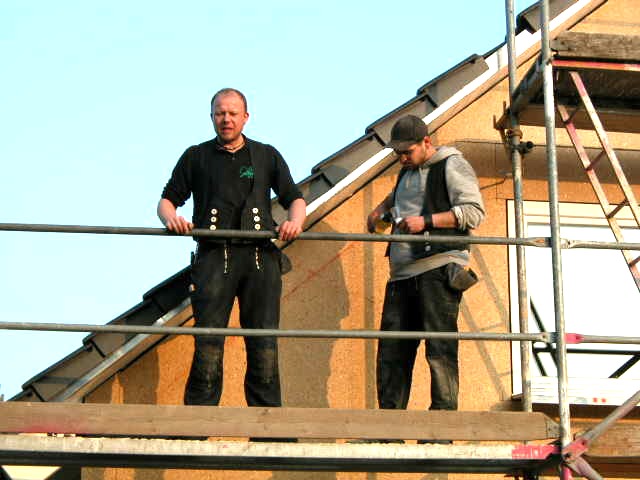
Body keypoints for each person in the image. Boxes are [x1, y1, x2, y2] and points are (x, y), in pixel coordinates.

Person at [158, 88, 306, 413]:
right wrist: (172, 218)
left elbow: (293, 197)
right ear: (212, 117)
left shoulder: (266, 155)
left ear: (246, 117)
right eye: (220, 113)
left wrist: (295, 223)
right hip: (213, 256)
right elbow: (167, 199)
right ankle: (197, 426)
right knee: (208, 343)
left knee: (263, 342)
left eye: (232, 113)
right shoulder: (195, 156)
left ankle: (267, 428)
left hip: (260, 258)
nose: (226, 119)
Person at [367, 114, 485, 439]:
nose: (402, 158)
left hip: (438, 268)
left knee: (439, 350)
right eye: (398, 153)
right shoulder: (405, 173)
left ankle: (440, 429)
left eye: (407, 152)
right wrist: (379, 213)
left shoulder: (451, 165)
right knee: (392, 354)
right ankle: (387, 430)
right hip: (402, 275)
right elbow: (398, 205)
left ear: (426, 143)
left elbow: (475, 212)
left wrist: (427, 221)